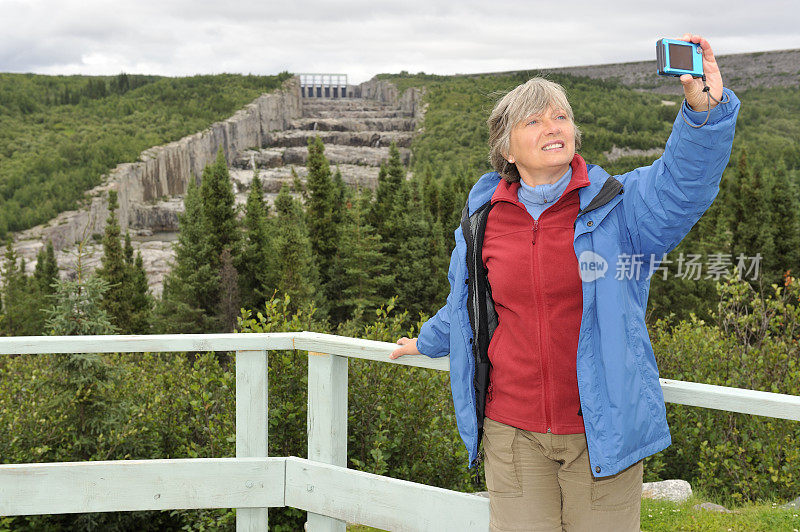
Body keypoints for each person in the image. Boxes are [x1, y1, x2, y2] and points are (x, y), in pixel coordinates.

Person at [390, 34, 740, 531]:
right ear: (506, 149)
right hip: (512, 433)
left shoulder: (619, 207)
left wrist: (704, 113)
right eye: (533, 121)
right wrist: (427, 340)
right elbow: (472, 302)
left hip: (600, 435)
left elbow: (682, 185)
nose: (552, 127)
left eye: (560, 117)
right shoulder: (483, 217)